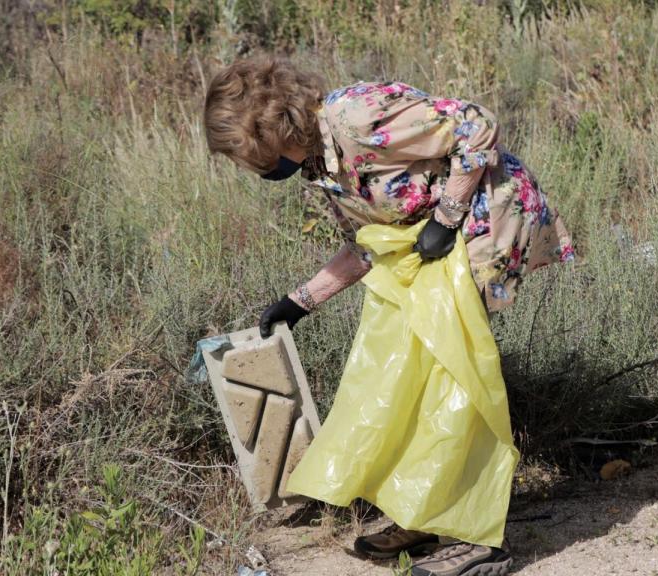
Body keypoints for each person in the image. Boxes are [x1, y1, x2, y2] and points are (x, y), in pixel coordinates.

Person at [203, 54, 573, 576]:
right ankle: (424, 515)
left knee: (454, 379)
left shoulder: (356, 116)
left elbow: (478, 125)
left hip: (486, 221)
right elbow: (369, 247)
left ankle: (478, 539)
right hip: (432, 248)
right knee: (411, 379)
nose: (253, 166)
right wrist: (300, 301)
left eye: (251, 150)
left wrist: (445, 215)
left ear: (274, 124)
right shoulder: (318, 166)